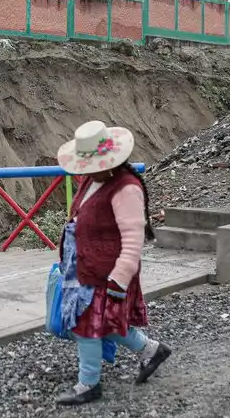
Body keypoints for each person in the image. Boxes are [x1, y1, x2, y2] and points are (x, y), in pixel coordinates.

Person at [53, 120, 172, 406]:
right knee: (104, 322)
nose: (88, 170)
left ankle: (88, 384)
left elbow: (133, 240)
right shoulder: (94, 181)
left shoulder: (126, 188)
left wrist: (119, 280)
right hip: (87, 268)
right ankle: (152, 350)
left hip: (109, 273)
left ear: (109, 161)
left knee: (86, 326)